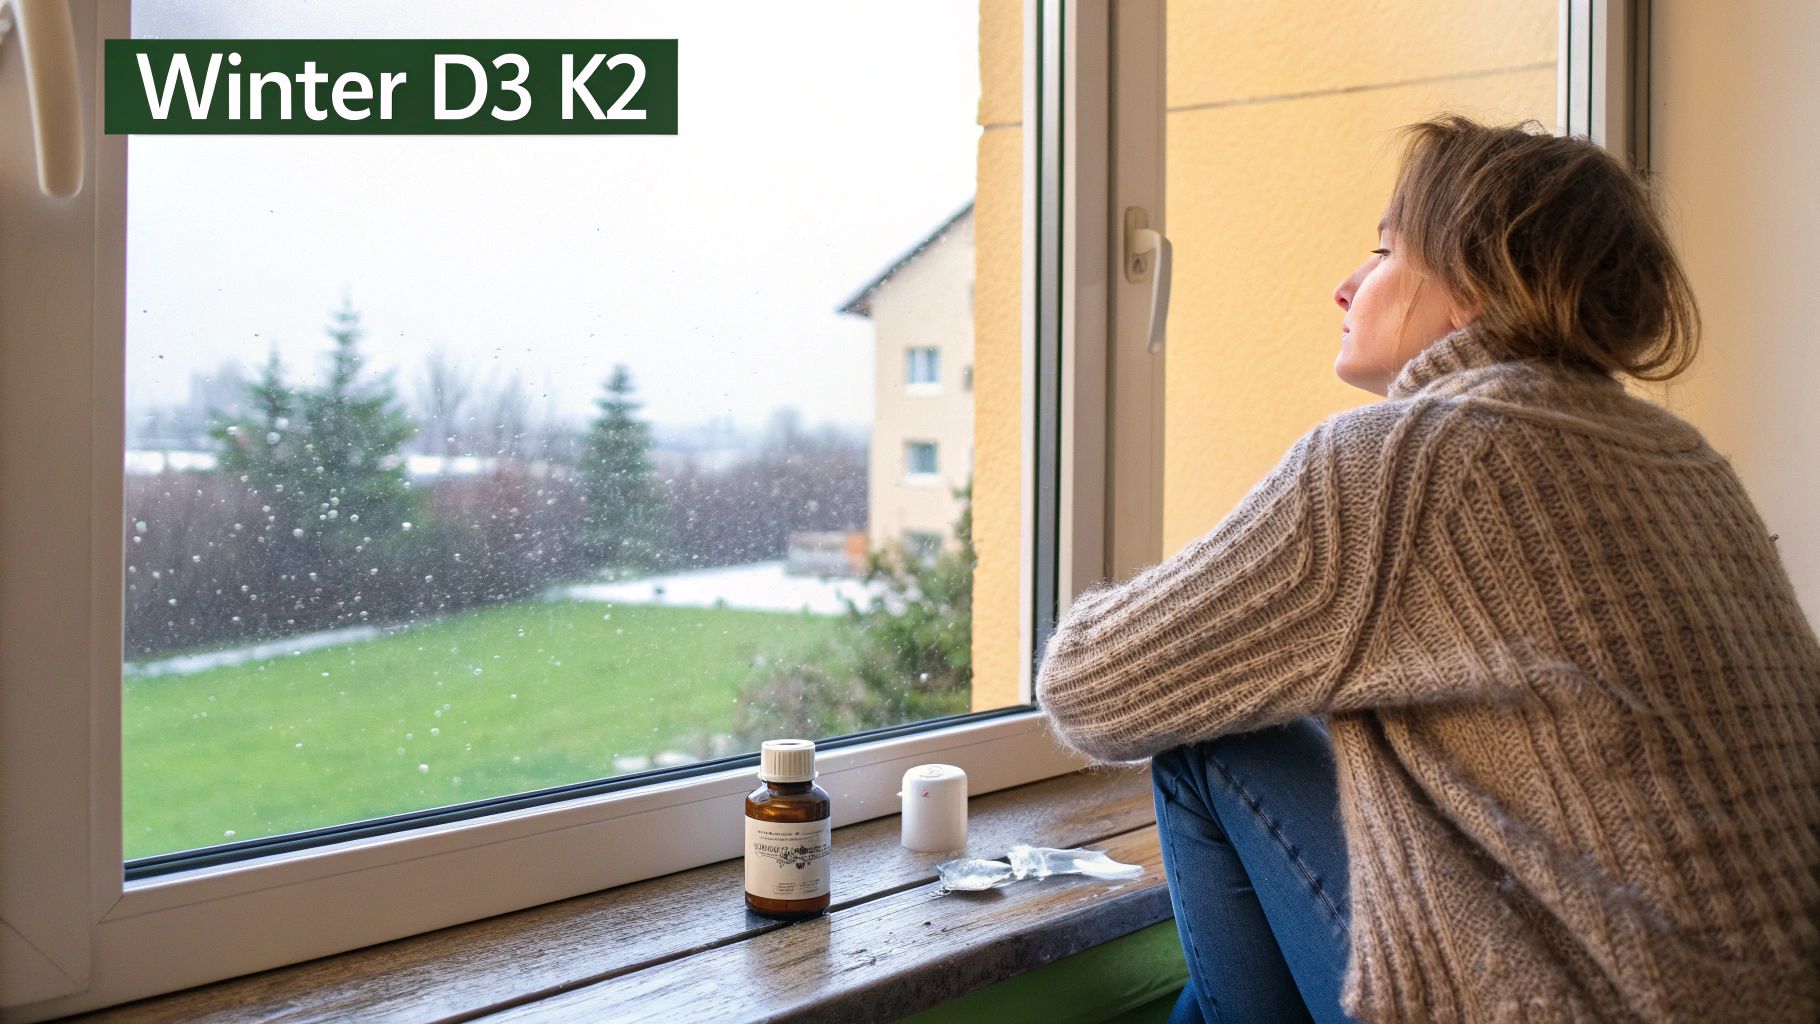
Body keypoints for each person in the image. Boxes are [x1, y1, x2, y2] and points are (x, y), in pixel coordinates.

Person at [1035, 114, 1820, 1024]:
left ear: (1476, 285)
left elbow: (1087, 684)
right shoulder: (1684, 459)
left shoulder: (1406, 462)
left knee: (1209, 737)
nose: (1345, 285)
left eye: (1382, 252)